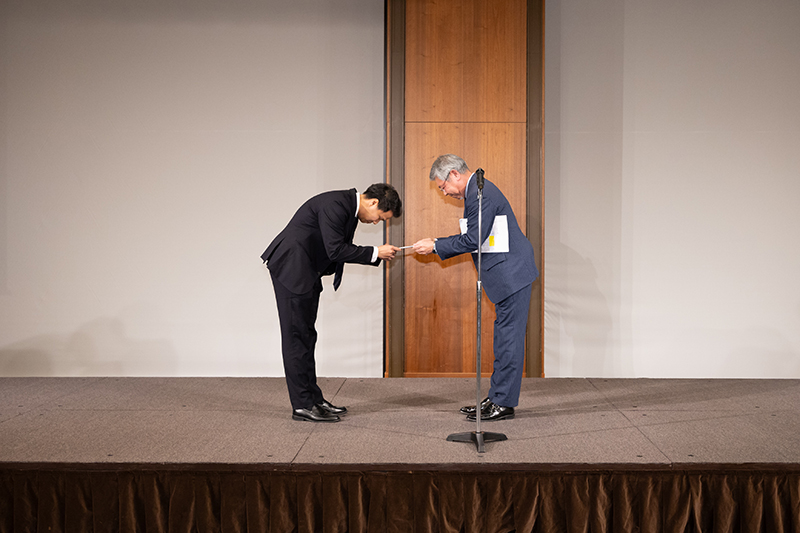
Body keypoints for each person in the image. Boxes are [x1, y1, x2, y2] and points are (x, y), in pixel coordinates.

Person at [412, 155, 538, 421]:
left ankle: (503, 403)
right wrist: (438, 241)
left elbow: (473, 239)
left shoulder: (481, 194)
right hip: (508, 273)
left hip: (512, 274)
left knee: (508, 340)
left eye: (443, 186)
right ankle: (497, 397)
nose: (444, 192)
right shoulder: (476, 191)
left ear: (454, 174)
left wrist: (435, 246)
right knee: (504, 339)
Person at [262, 184, 402, 422]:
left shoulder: (346, 206)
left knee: (307, 337)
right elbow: (335, 250)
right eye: (380, 217)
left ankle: (314, 400)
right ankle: (303, 405)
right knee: (297, 339)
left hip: (306, 271)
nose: (376, 222)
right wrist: (375, 252)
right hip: (292, 269)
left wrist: (373, 253)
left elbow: (334, 248)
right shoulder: (336, 205)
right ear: (373, 202)